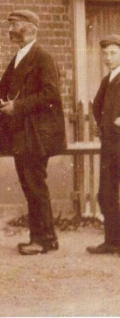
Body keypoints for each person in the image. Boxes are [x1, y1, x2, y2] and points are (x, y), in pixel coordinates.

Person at [0, 10, 66, 255]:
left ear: (30, 28)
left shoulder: (43, 57)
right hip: (23, 134)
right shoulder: (20, 56)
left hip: (37, 135)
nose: (10, 30)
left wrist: (18, 106)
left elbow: (51, 94)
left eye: (15, 25)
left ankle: (42, 240)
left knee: (35, 186)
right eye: (10, 25)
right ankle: (44, 238)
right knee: (31, 186)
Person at [87, 34, 120, 255]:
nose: (108, 57)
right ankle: (112, 241)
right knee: (106, 193)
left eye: (113, 53)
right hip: (110, 146)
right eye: (105, 54)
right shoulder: (108, 80)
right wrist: (99, 125)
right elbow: (97, 106)